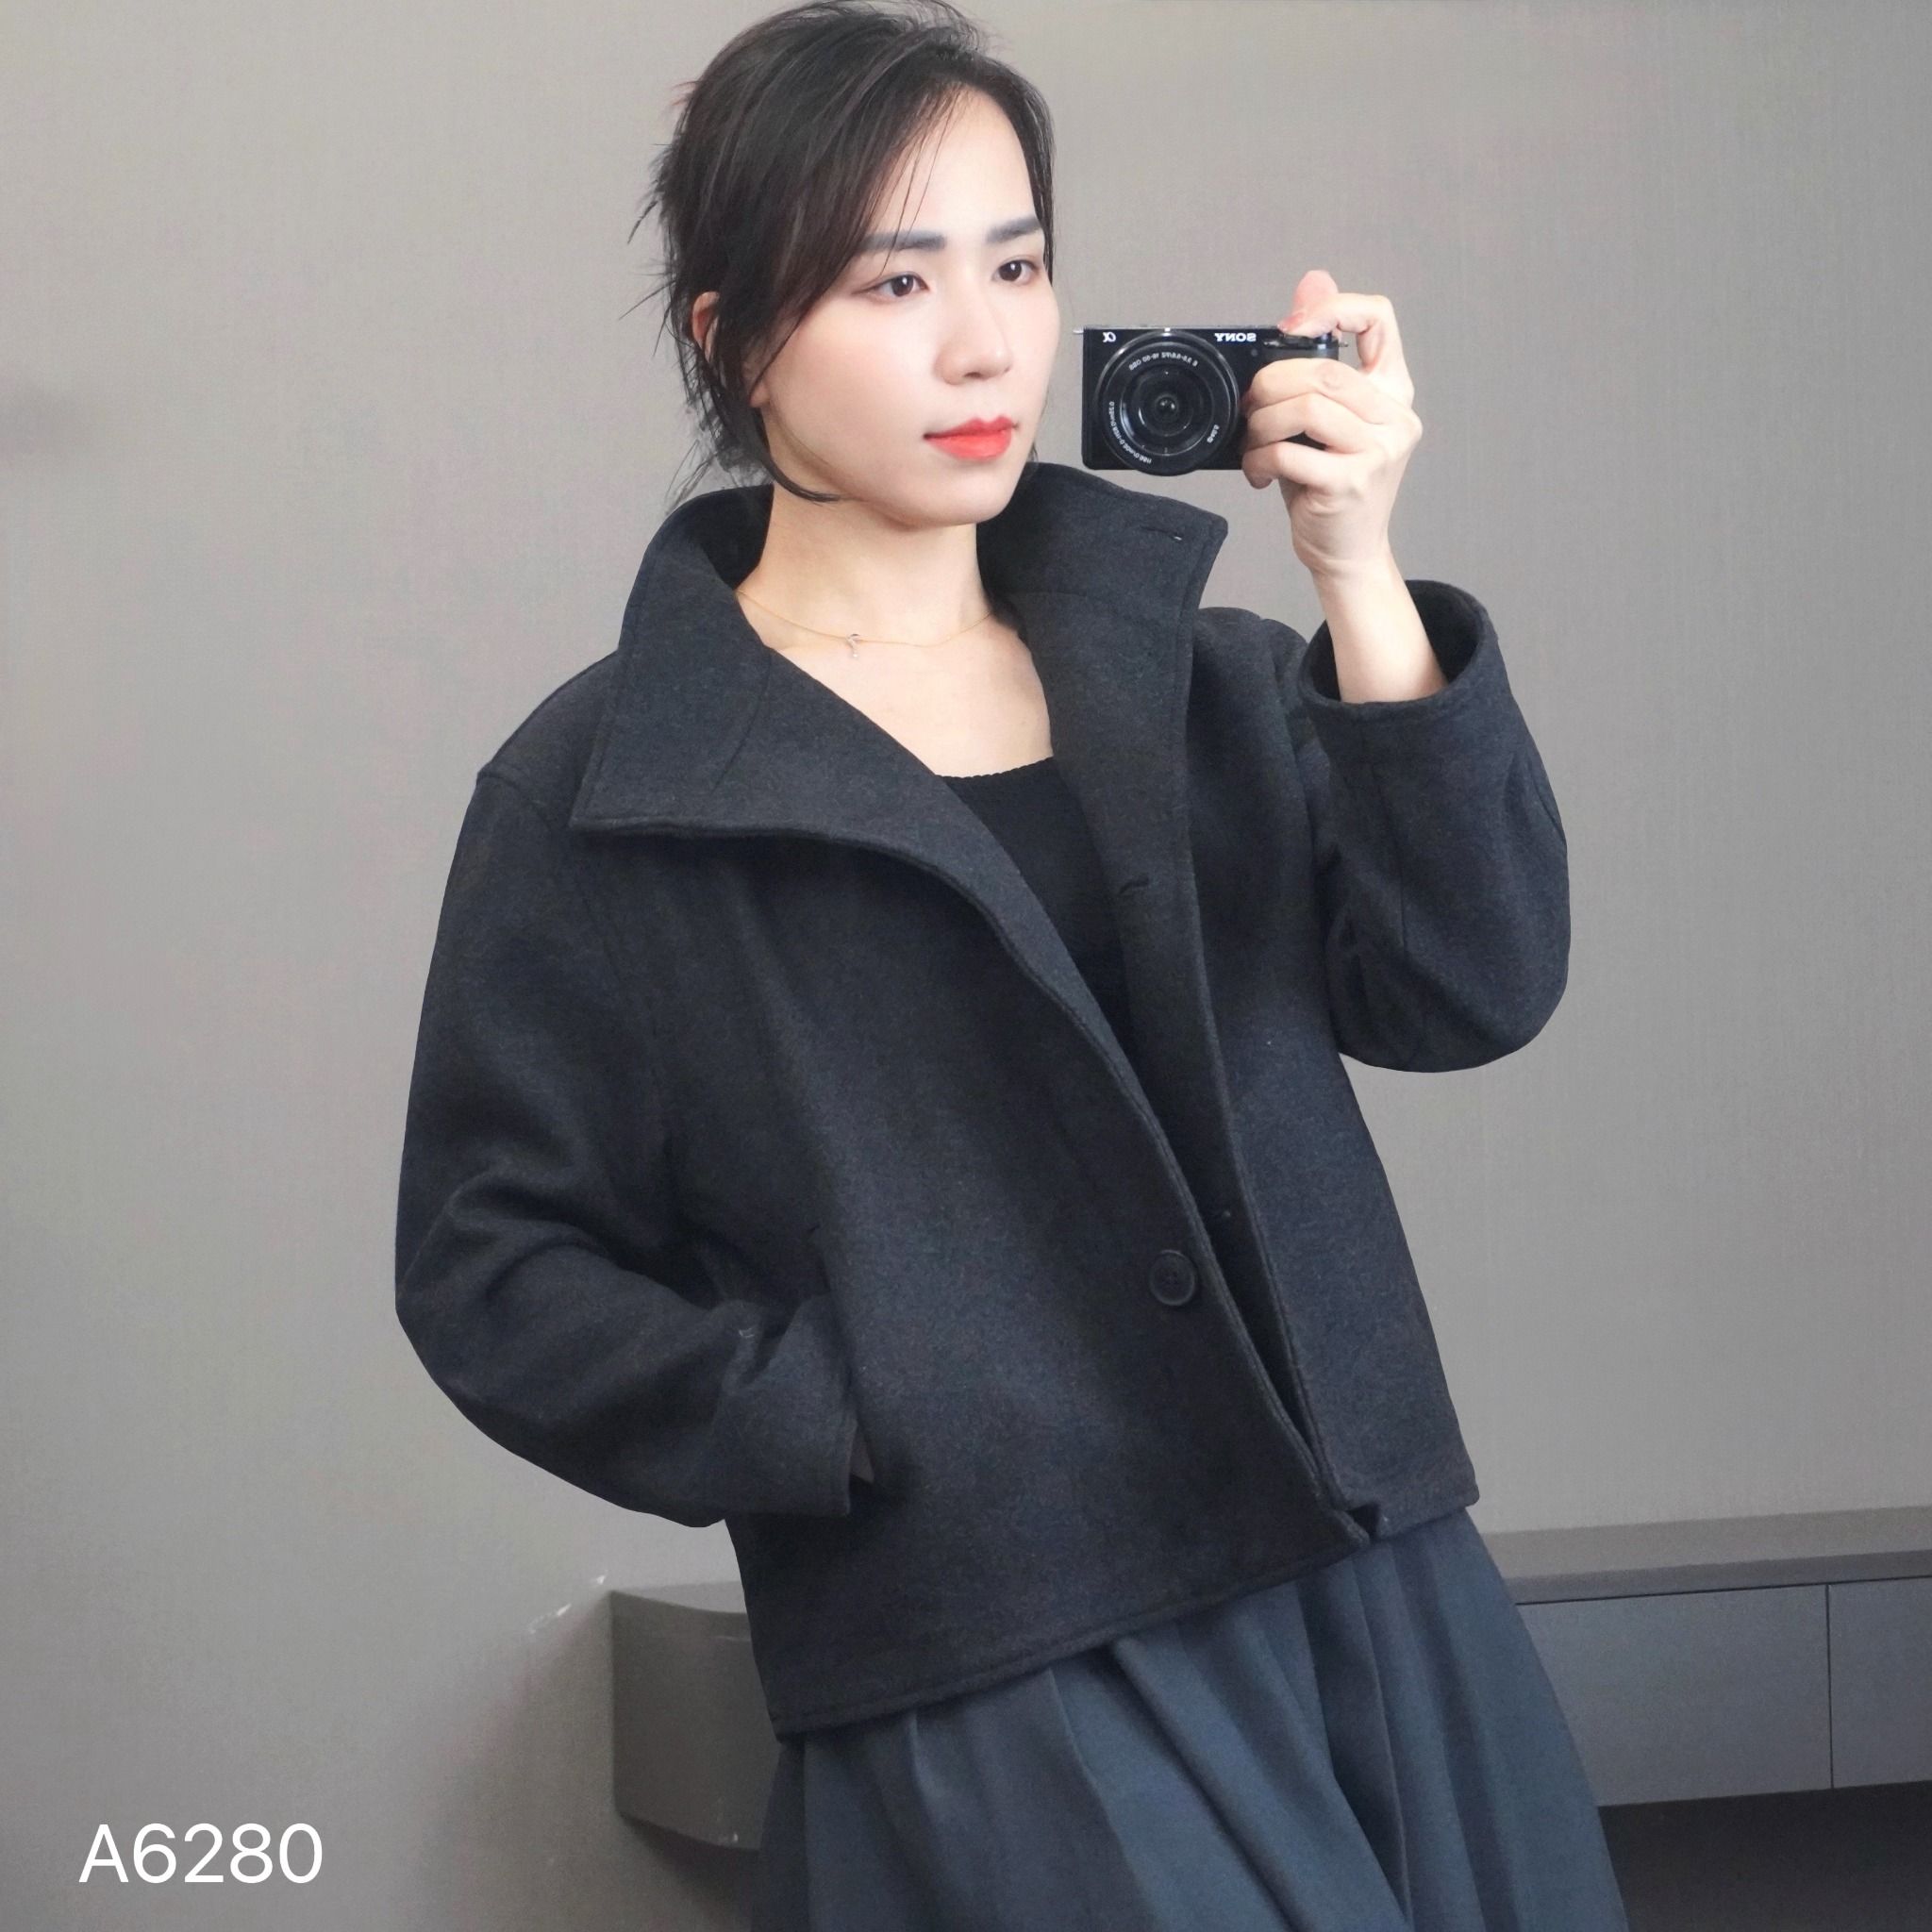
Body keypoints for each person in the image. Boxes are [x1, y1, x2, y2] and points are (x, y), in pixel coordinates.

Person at [394, 3, 1630, 1925]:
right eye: (895, 281)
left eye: (1018, 265)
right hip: (998, 1640)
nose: (983, 346)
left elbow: (1471, 987)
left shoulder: (1202, 685)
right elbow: (491, 1269)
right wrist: (847, 1408)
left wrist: (1359, 573)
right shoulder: (611, 788)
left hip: (1376, 1584)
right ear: (733, 336)